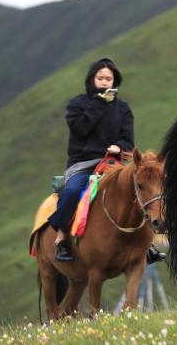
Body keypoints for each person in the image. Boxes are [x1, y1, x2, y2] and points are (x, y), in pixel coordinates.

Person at [47, 58, 135, 262]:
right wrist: (98, 104)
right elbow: (80, 129)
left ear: (114, 81)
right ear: (91, 79)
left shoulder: (122, 108)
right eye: (100, 78)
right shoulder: (77, 105)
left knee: (138, 190)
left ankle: (145, 243)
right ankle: (61, 238)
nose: (104, 82)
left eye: (108, 79)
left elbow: (128, 139)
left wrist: (119, 147)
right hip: (82, 163)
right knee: (71, 192)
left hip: (113, 163)